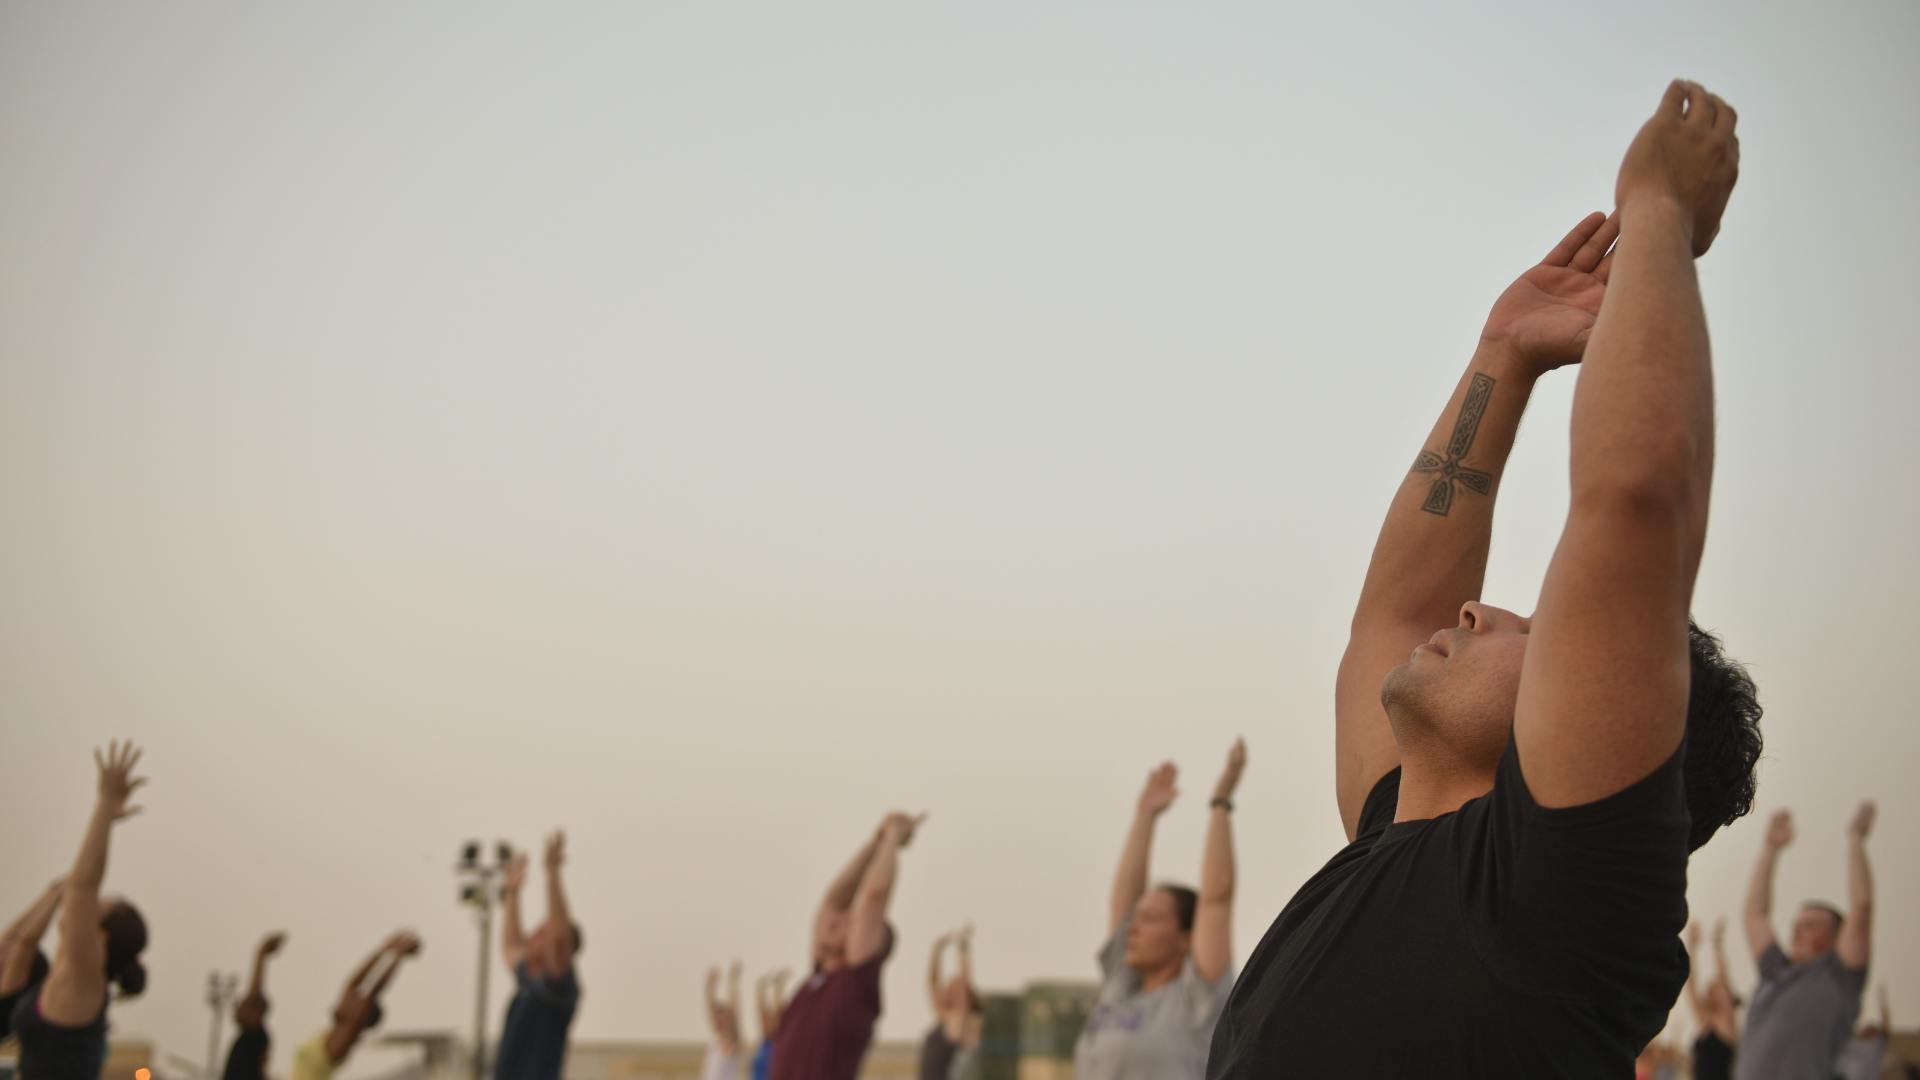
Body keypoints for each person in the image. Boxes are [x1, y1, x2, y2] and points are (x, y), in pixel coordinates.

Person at [1206, 81, 1764, 1077]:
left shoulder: (1564, 897)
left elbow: (1637, 499)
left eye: (1545, 637)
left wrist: (1661, 215)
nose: (1479, 608)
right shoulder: (1397, 837)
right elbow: (1399, 611)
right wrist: (1502, 359)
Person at [1076, 740, 1244, 1080]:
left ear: (1186, 938)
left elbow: (1215, 901)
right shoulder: (1120, 988)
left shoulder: (1197, 1001)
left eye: (1151, 919)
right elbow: (1123, 904)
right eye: (1136, 920)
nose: (1132, 928)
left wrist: (1220, 802)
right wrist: (1145, 817)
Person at [11, 742, 151, 1080]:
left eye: (97, 908)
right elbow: (22, 942)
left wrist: (103, 806)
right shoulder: (64, 976)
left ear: (100, 936)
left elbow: (83, 886)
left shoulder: (85, 980)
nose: (86, 907)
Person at [770, 811, 925, 1080]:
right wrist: (874, 843)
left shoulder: (855, 984)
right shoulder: (820, 976)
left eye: (850, 921)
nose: (839, 918)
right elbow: (832, 901)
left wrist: (893, 838)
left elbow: (873, 898)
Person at [1738, 803, 1876, 1079]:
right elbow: (1755, 914)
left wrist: (1855, 840)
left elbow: (1861, 908)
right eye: (1796, 926)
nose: (1797, 932)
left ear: (1838, 938)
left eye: (1810, 926)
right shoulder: (1775, 970)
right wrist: (1770, 849)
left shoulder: (1839, 976)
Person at [495, 832, 583, 1080]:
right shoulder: (530, 979)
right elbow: (510, 946)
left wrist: (552, 874)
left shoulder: (558, 987)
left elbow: (560, 938)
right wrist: (512, 894)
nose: (533, 932)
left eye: (542, 931)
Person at [289, 931, 422, 1080]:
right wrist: (384, 949)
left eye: (353, 1002)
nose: (347, 999)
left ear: (359, 1015)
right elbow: (353, 983)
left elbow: (374, 991)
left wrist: (397, 955)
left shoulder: (340, 1042)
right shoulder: (331, 1034)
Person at [0, 879, 64, 1042]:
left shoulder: (6, 1004)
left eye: (10, 953)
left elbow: (26, 941)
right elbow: (14, 937)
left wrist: (56, 897)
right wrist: (51, 892)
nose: (4, 947)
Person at [919, 926, 982, 1080]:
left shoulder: (959, 1018)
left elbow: (965, 977)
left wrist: (962, 947)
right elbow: (932, 979)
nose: (946, 987)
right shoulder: (943, 1015)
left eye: (952, 985)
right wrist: (938, 948)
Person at [223, 933, 287, 1080]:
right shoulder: (253, 1039)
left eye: (243, 1004)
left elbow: (254, 994)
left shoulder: (254, 1035)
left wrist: (261, 954)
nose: (237, 1007)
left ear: (255, 1013)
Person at [1683, 920, 1740, 1080]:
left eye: (1714, 987)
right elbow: (1691, 986)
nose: (1709, 988)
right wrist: (1692, 946)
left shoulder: (1726, 1023)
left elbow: (1724, 981)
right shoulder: (1704, 1020)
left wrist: (1717, 945)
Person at [700, 961, 746, 1080]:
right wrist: (709, 987)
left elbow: (736, 1013)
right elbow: (711, 1009)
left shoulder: (733, 1042)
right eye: (717, 1019)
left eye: (722, 1019)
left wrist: (732, 981)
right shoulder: (715, 1043)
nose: (718, 1022)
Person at [1835, 986, 1891, 1080]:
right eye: (1867, 1027)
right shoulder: (1850, 1040)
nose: (1867, 1028)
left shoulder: (1876, 1045)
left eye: (1872, 1029)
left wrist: (1882, 1001)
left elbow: (1886, 1025)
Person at [749, 968, 791, 1080]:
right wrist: (761, 987)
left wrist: (779, 986)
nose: (767, 1024)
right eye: (766, 1021)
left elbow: (780, 1010)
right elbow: (760, 1008)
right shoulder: (763, 1044)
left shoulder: (779, 1045)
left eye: (772, 1021)